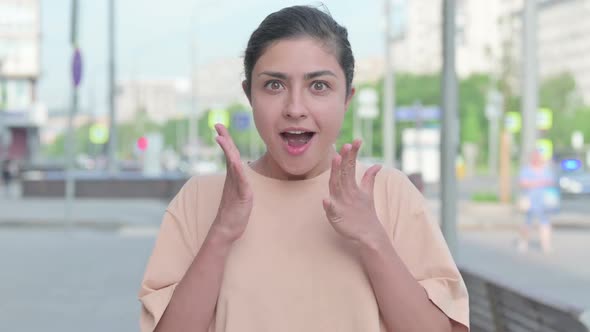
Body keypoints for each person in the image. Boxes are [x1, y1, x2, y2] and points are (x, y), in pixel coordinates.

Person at [138, 6, 469, 332]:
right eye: (274, 86)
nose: (295, 108)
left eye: (319, 86)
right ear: (249, 94)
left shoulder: (388, 192)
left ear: (347, 98)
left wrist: (372, 237)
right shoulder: (201, 198)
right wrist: (221, 232)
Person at [518, 150, 556, 254]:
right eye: (535, 157)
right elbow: (522, 183)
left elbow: (551, 182)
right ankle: (524, 241)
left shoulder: (546, 170)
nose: (537, 159)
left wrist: (537, 183)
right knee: (527, 222)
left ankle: (546, 244)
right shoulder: (526, 170)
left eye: (538, 157)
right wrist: (538, 183)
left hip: (543, 200)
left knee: (545, 222)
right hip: (529, 199)